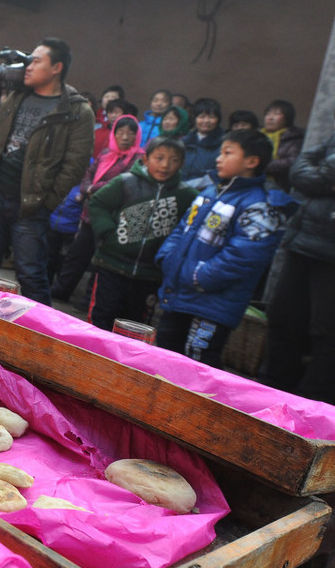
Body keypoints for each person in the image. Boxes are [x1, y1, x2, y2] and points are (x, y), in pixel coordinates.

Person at [155, 129, 297, 367]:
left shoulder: (260, 206)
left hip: (212, 306)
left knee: (196, 366)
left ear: (251, 162)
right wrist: (167, 259)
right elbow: (182, 229)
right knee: (164, 357)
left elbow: (243, 257)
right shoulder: (211, 192)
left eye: (227, 152)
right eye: (220, 152)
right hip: (179, 294)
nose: (218, 158)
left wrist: (197, 275)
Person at [0, 37, 94, 305]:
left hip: (31, 205)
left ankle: (41, 339)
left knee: (31, 275)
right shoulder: (17, 96)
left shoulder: (76, 110)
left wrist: (45, 202)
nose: (27, 66)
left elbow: (75, 165)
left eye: (36, 61)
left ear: (56, 67)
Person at [87, 137, 196, 333]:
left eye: (173, 160)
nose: (165, 165)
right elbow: (98, 203)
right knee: (102, 317)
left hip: (150, 274)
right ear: (146, 160)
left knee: (135, 325)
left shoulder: (187, 195)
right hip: (112, 265)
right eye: (159, 158)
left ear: (181, 164)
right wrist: (107, 233)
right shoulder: (126, 182)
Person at [259, 125, 335, 403]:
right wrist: (324, 177)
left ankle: (312, 403)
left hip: (331, 254)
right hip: (303, 241)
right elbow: (299, 171)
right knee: (283, 319)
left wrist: (321, 174)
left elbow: (315, 172)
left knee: (326, 334)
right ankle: (271, 391)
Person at [50, 115, 145, 301]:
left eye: (130, 133)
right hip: (89, 214)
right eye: (121, 132)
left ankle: (89, 300)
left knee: (101, 262)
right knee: (76, 256)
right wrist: (87, 188)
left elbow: (122, 183)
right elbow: (89, 174)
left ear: (137, 136)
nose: (125, 137)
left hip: (112, 219)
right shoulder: (106, 153)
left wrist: (93, 189)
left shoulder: (139, 159)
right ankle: (61, 290)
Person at [261, 99, 306, 192]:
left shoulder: (295, 138)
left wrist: (260, 166)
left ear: (287, 118)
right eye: (268, 114)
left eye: (276, 114)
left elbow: (292, 161)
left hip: (281, 186)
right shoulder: (257, 136)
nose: (270, 118)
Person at [181, 97, 224, 183]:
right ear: (195, 118)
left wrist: (190, 186)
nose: (206, 121)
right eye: (202, 117)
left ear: (218, 120)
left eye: (211, 117)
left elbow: (219, 174)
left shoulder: (223, 144)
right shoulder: (184, 142)